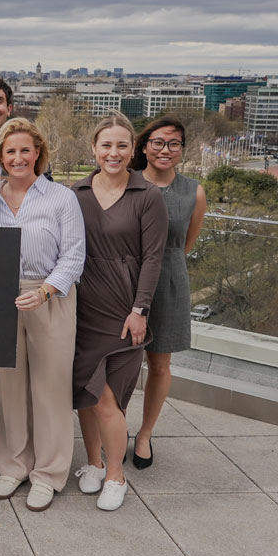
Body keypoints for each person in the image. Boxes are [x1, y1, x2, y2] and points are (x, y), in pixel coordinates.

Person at [0, 118, 86, 512]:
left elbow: (74, 255)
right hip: (2, 297)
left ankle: (48, 472)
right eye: (9, 151)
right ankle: (13, 465)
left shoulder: (60, 198)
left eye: (25, 150)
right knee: (7, 387)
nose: (17, 157)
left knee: (50, 387)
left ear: (38, 154)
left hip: (50, 295)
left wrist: (44, 291)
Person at [72, 113, 168, 511]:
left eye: (122, 146)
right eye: (106, 145)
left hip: (125, 309)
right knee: (86, 393)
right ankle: (92, 463)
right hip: (81, 308)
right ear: (93, 149)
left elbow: (153, 259)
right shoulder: (74, 193)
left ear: (134, 150)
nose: (114, 153)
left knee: (109, 399)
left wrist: (140, 309)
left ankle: (116, 474)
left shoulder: (147, 196)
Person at [132, 117, 206, 469]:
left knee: (160, 364)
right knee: (121, 361)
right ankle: (109, 428)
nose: (165, 150)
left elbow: (184, 245)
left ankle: (144, 434)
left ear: (181, 150)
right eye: (158, 142)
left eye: (173, 144)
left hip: (170, 282)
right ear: (144, 146)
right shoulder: (127, 183)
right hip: (126, 280)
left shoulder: (194, 191)